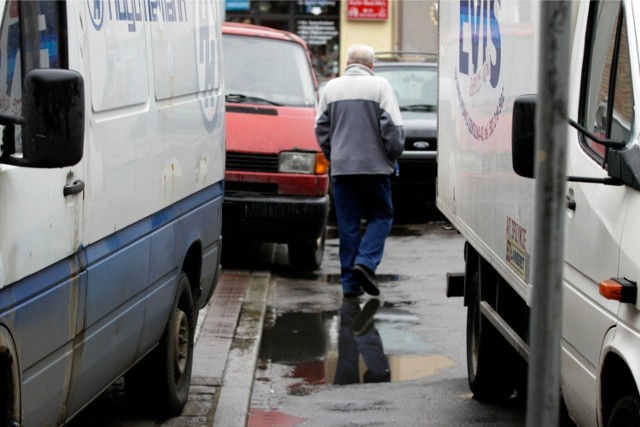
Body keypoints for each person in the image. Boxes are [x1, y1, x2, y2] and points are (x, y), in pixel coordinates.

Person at [315, 44, 405, 298]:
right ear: (371, 65)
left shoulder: (331, 88)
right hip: (375, 168)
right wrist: (392, 155)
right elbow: (394, 131)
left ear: (347, 64)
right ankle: (365, 262)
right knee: (381, 215)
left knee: (348, 224)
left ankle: (349, 284)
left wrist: (334, 154)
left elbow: (320, 128)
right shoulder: (380, 87)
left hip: (342, 169)